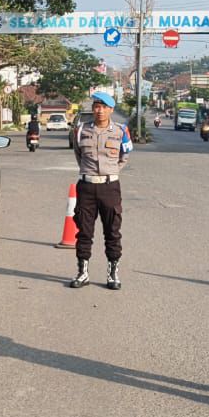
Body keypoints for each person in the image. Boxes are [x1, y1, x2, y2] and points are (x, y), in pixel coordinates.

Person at [70, 91, 133, 290]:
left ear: (111, 110)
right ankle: (82, 272)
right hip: (87, 186)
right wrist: (90, 174)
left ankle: (113, 273)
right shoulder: (80, 130)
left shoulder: (121, 131)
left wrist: (110, 172)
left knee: (112, 231)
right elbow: (79, 154)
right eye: (97, 106)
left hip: (110, 187)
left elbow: (124, 156)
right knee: (84, 231)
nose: (100, 111)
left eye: (104, 107)